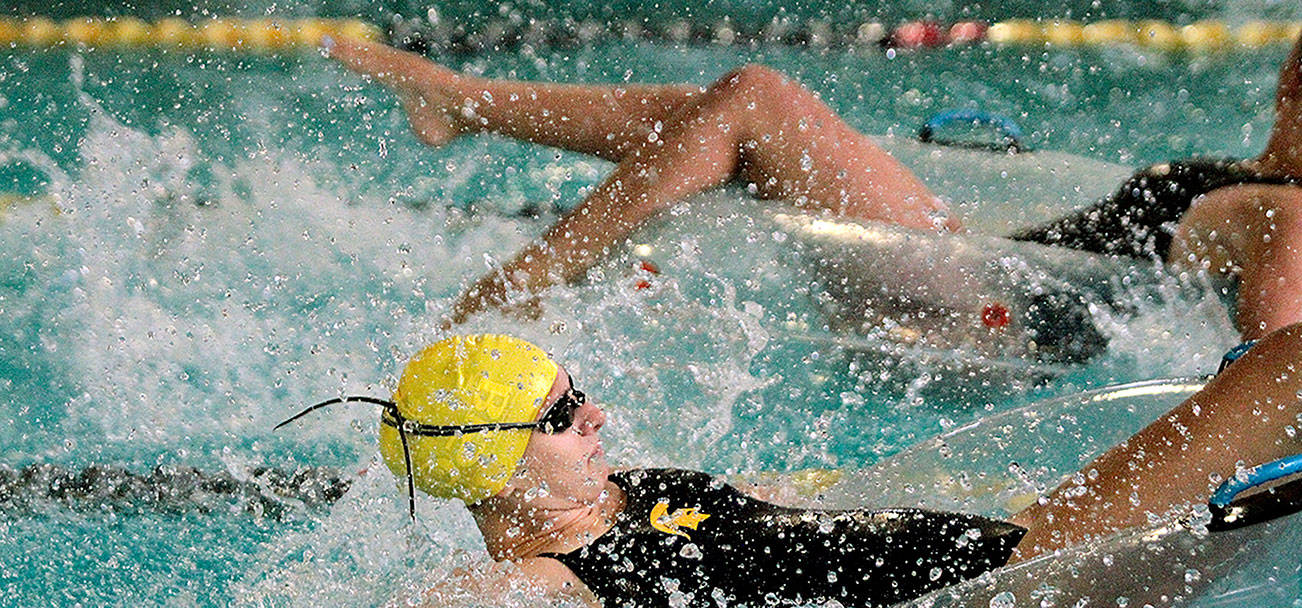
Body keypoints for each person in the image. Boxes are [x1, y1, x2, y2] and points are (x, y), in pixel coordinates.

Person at [151, 325, 1302, 608]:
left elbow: (818, 508)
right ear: (499, 466)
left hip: (1022, 562)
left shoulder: (643, 488)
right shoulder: (547, 580)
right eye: (561, 411)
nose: (595, 410)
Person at [324, 33, 1302, 341]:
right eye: (1290, 68)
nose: (1283, 82)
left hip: (1007, 320)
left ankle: (521, 284)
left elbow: (1272, 372)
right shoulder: (1263, 184)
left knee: (756, 101)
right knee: (723, 113)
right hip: (997, 275)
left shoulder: (1291, 215)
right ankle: (458, 100)